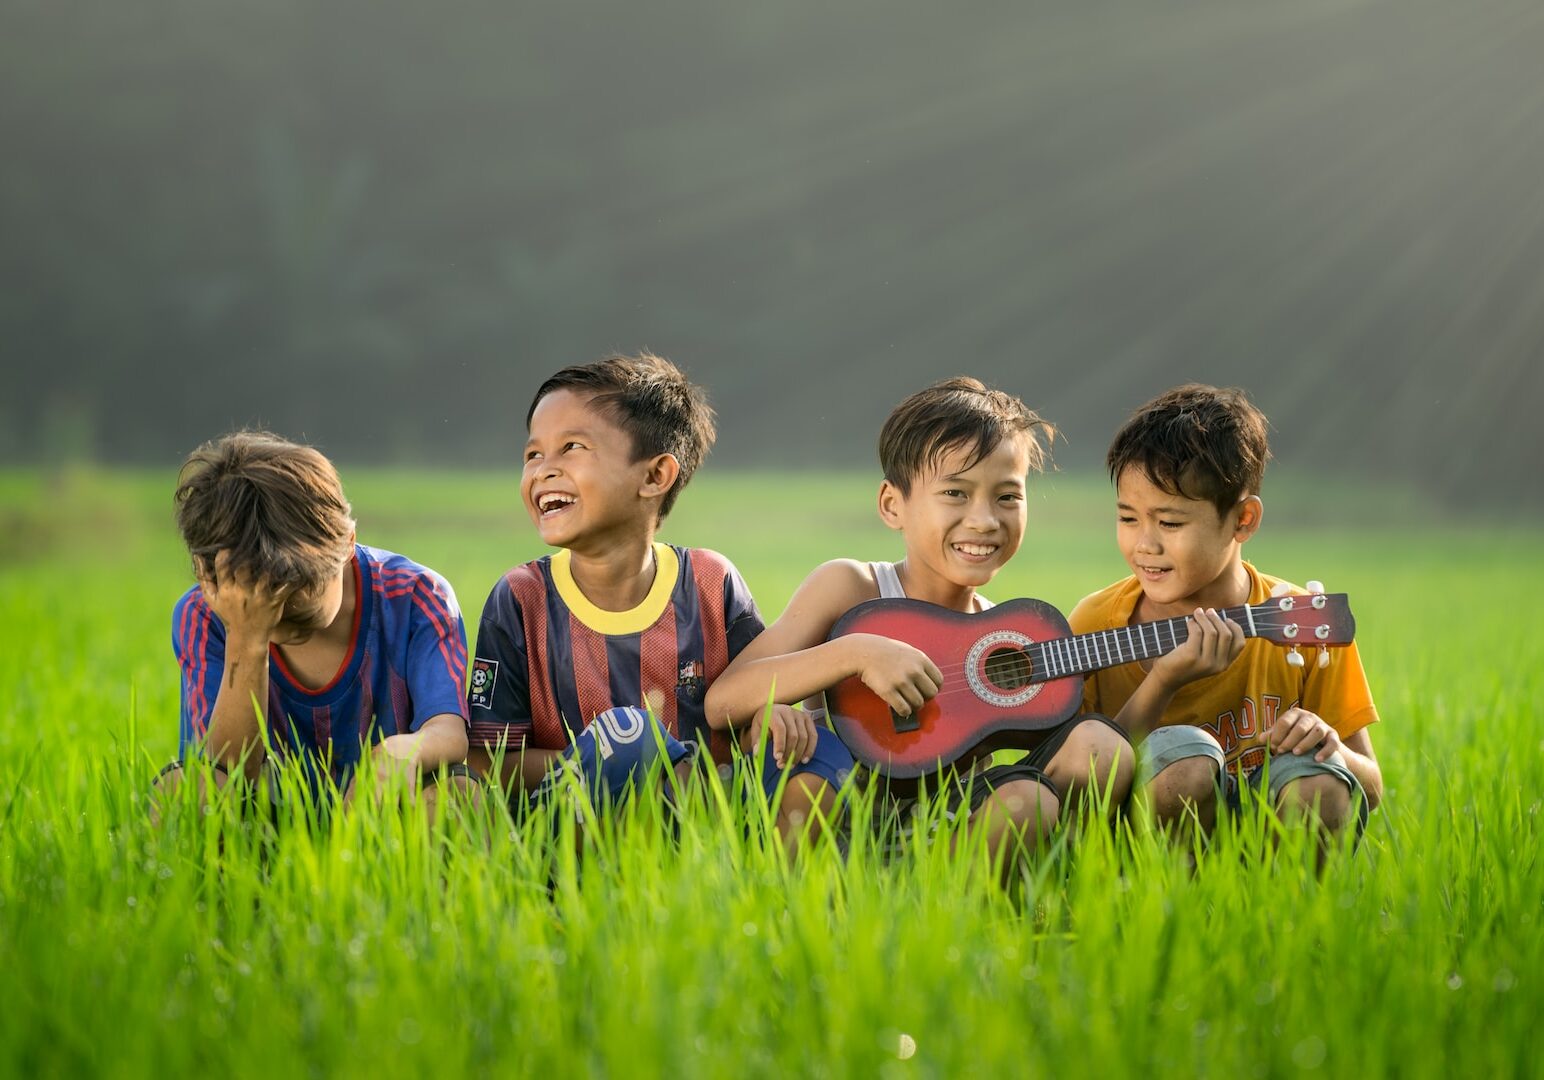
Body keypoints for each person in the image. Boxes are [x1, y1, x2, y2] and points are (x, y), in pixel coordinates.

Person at [704, 377, 1133, 873]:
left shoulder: (1002, 635)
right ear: (893, 505)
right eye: (955, 492)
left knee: (1070, 769)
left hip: (948, 838)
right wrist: (856, 653)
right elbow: (723, 700)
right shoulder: (852, 587)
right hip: (841, 825)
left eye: (1007, 497)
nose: (984, 520)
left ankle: (968, 910)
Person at [466, 353, 852, 852]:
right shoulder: (520, 598)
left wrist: (772, 716)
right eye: (533, 455)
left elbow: (752, 700)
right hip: (575, 831)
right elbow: (489, 761)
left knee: (821, 746)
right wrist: (640, 759)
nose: (544, 471)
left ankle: (762, 891)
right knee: (630, 734)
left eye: (572, 448)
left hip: (708, 816)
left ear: (655, 476)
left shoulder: (712, 582)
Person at [1068, 384, 1383, 844]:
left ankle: (1289, 914)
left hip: (1265, 836)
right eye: (1128, 518)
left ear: (1244, 520)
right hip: (1140, 851)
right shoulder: (1095, 621)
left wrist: (1331, 747)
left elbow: (1370, 788)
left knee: (1319, 783)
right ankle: (1177, 910)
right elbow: (1078, 791)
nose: (1144, 544)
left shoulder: (1302, 624)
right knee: (1184, 767)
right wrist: (1164, 681)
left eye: (1170, 523)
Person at [155, 431, 472, 820]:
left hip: (387, 817)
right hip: (264, 828)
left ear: (347, 543)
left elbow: (450, 731)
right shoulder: (204, 615)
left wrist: (402, 750)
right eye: (252, 591)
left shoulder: (416, 596)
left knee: (454, 793)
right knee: (184, 793)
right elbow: (225, 775)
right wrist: (246, 637)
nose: (271, 609)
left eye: (291, 588)